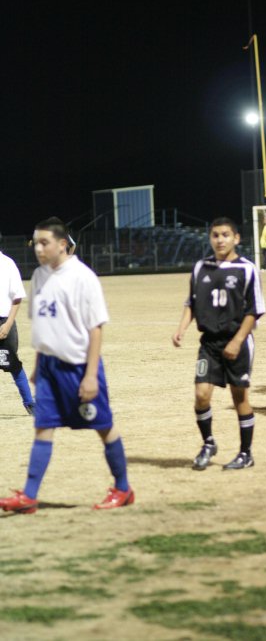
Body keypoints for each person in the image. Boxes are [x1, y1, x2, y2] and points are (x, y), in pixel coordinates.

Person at [0, 217, 134, 513]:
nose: (38, 248)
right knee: (43, 427)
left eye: (44, 242)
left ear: (63, 244)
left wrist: (90, 376)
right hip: (50, 368)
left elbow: (95, 328)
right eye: (35, 242)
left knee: (103, 426)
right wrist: (39, 363)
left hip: (79, 367)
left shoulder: (83, 278)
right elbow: (44, 324)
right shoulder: (39, 277)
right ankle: (30, 496)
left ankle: (123, 488)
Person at [172, 217, 265, 470]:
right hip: (209, 343)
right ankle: (209, 443)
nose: (220, 239)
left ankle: (246, 454)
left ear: (236, 238)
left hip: (238, 342)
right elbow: (191, 303)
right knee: (201, 395)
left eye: (225, 235)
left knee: (239, 398)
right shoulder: (200, 267)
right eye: (215, 235)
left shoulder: (247, 269)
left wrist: (237, 341)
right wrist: (181, 328)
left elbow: (254, 311)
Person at [0, 232, 35, 416]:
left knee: (11, 363)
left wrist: (7, 325)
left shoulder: (7, 264)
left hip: (4, 322)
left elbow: (17, 296)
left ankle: (30, 403)